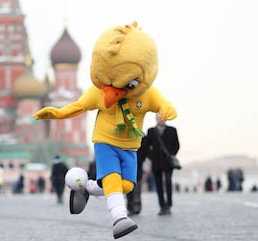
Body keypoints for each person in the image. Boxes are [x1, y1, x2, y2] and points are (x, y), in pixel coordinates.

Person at [34, 22, 177, 239]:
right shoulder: (98, 92)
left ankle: (87, 188)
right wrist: (57, 113)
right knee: (111, 178)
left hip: (130, 146)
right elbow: (79, 106)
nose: (112, 91)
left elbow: (164, 104)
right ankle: (119, 217)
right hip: (105, 143)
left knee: (127, 185)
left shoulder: (146, 94)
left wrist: (167, 110)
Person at [146, 113, 180, 215]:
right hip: (156, 162)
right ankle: (162, 206)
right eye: (159, 118)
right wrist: (151, 157)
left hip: (168, 162)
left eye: (162, 118)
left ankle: (169, 205)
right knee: (159, 185)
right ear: (156, 119)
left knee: (168, 182)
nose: (160, 120)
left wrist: (171, 154)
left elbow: (177, 145)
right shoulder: (151, 131)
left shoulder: (172, 130)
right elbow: (146, 147)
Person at [126, 136, 148, 216]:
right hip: (127, 164)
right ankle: (130, 207)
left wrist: (139, 159)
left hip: (138, 165)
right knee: (128, 187)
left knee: (137, 187)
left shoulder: (142, 137)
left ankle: (136, 206)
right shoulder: (125, 136)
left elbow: (145, 150)